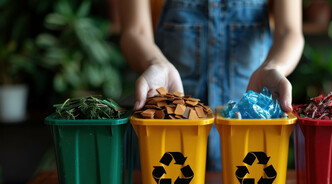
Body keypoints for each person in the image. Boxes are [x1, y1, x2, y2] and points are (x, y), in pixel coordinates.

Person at [120, 0, 304, 170]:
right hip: (169, 133)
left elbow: (290, 32)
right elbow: (135, 31)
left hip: (248, 129)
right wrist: (155, 63)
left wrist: (273, 67)